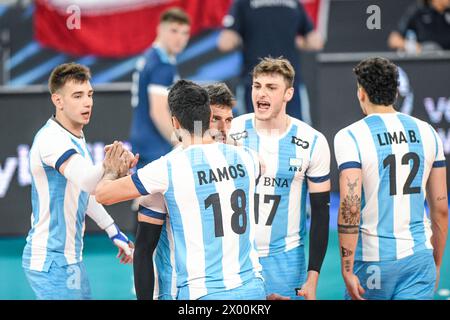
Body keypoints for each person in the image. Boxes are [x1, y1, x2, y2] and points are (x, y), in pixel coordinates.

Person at [95, 80, 265, 300]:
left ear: (174, 122)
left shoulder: (166, 169)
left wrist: (112, 170)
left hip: (200, 295)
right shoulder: (249, 158)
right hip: (252, 290)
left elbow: (102, 194)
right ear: (208, 116)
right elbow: (259, 167)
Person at [334, 57, 448, 300]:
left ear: (361, 93)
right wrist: (435, 263)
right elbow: (441, 209)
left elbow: (350, 207)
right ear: (396, 93)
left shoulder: (350, 136)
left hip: (373, 263)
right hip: (419, 258)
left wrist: (346, 269)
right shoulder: (427, 131)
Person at [22, 63, 135, 300]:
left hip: (71, 259)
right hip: (50, 262)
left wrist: (113, 230)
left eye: (90, 94)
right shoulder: (51, 139)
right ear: (58, 100)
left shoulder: (75, 135)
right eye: (77, 96)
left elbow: (83, 193)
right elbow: (87, 182)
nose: (88, 102)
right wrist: (108, 167)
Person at [228, 57, 331, 300]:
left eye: (271, 88)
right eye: (257, 86)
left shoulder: (312, 141)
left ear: (288, 94)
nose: (261, 94)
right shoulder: (231, 132)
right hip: (236, 256)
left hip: (286, 259)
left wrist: (313, 276)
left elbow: (320, 212)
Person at [145, 82, 236, 300]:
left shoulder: (238, 160)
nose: (223, 129)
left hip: (228, 287)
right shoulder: (172, 165)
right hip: (178, 288)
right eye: (215, 119)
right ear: (203, 118)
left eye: (229, 120)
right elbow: (144, 249)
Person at [217, 0, 323, 122]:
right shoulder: (293, 3)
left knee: (252, 132)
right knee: (297, 132)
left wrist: (244, 38)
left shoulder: (243, 3)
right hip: (287, 82)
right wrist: (296, 42)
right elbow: (315, 42)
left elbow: (225, 43)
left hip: (256, 83)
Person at [129, 7, 191, 169]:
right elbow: (158, 111)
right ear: (160, 30)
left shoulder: (151, 56)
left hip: (144, 139)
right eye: (174, 31)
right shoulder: (161, 65)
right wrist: (179, 142)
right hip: (156, 145)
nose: (180, 38)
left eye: (185, 33)